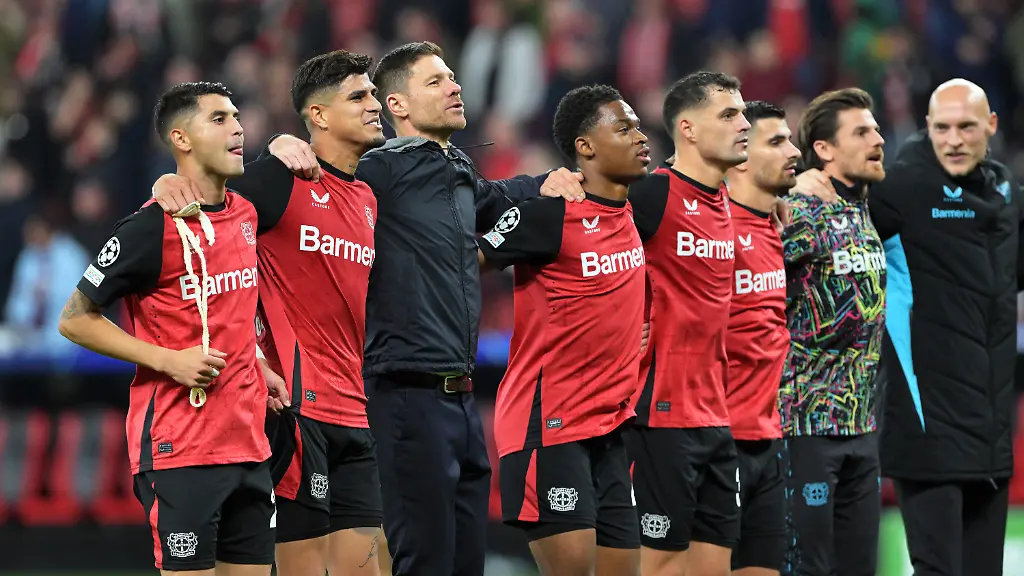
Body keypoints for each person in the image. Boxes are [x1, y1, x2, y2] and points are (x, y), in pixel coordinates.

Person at [247, 41, 584, 575]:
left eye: (452, 76)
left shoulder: (455, 169)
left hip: (459, 396)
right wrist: (281, 144)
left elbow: (492, 196)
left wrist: (544, 182)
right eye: (436, 81)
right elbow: (296, 177)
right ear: (398, 105)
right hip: (401, 392)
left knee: (463, 562)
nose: (454, 86)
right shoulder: (376, 171)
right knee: (418, 560)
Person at [151, 51, 390, 576]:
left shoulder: (368, 199)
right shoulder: (281, 180)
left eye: (373, 94)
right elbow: (211, 205)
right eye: (359, 96)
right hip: (297, 410)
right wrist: (166, 184)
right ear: (317, 115)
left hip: (355, 410)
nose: (375, 104)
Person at [57, 82, 285, 575]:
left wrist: (257, 361)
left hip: (249, 445)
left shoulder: (246, 212)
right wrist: (168, 360)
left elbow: (231, 309)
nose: (238, 128)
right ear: (181, 139)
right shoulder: (149, 228)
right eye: (219, 119)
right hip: (180, 448)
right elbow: (74, 319)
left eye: (236, 117)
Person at [480, 84, 649, 576]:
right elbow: (465, 263)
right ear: (585, 146)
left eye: (638, 126)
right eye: (624, 128)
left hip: (609, 429)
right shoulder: (549, 214)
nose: (640, 137)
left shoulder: (634, 212)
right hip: (548, 428)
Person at [870, 79, 1018, 576]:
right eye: (943, 128)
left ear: (991, 125)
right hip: (925, 429)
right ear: (927, 127)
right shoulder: (899, 189)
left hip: (990, 437)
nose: (954, 140)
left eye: (967, 127)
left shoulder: (1006, 193)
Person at [624, 71, 750, 576]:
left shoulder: (726, 201)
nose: (744, 124)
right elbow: (582, 237)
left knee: (713, 567)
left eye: (743, 114)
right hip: (659, 415)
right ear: (688, 128)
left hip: (715, 415)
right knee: (661, 565)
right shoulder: (652, 194)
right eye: (729, 114)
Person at [778, 87, 887, 576]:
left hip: (862, 427)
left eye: (876, 129)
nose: (877, 139)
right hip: (806, 425)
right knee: (808, 567)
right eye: (861, 132)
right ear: (823, 149)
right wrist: (788, 190)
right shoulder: (800, 211)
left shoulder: (867, 209)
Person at [722, 100, 798, 576]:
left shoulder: (779, 225)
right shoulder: (707, 227)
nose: (794, 151)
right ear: (740, 157)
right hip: (712, 442)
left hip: (768, 440)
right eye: (777, 142)